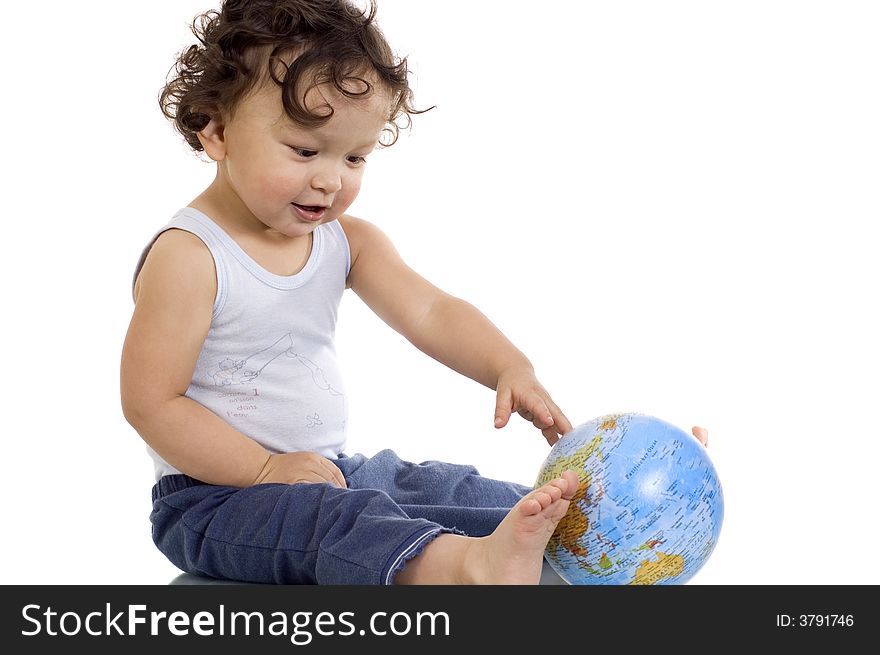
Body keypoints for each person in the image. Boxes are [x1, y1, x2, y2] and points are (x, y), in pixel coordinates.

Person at [121, 0, 708, 585]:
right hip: (212, 501)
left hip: (330, 471)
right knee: (343, 522)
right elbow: (153, 403)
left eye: (354, 157)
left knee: (434, 485)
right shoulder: (191, 257)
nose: (330, 179)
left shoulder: (344, 242)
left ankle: (609, 517)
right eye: (304, 150)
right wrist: (264, 467)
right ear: (216, 130)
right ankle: (471, 568)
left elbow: (429, 310)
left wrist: (507, 365)